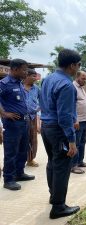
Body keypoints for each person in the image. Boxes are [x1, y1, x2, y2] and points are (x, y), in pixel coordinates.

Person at [40, 49, 81, 219]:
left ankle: (53, 196)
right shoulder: (66, 85)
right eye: (78, 65)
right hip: (59, 130)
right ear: (72, 65)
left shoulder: (48, 79)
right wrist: (71, 141)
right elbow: (64, 116)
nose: (79, 68)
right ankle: (58, 207)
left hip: (46, 127)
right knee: (63, 167)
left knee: (53, 163)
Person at [0, 59, 35, 191]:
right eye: (24, 69)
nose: (26, 72)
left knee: (22, 149)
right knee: (11, 152)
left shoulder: (19, 83)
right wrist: (4, 113)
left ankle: (19, 173)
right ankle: (8, 179)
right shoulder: (5, 83)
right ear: (14, 69)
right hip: (12, 124)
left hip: (24, 122)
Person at [71, 71, 86, 174]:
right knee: (76, 143)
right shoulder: (73, 87)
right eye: (83, 78)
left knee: (83, 142)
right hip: (77, 121)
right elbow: (71, 105)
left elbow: (85, 104)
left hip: (84, 120)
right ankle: (73, 165)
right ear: (77, 77)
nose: (85, 80)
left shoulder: (81, 88)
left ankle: (80, 161)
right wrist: (75, 120)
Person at [23, 69, 40, 167]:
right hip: (20, 117)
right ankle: (19, 159)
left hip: (32, 117)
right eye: (33, 76)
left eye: (36, 76)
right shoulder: (19, 87)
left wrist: (39, 108)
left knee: (33, 139)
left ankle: (30, 159)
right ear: (27, 76)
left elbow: (43, 99)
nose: (35, 78)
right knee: (21, 138)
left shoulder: (36, 88)